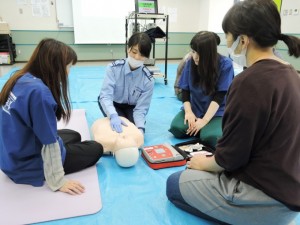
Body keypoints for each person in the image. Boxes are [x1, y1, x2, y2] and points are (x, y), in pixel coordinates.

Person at [166, 0, 300, 224]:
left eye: (228, 36)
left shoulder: (248, 81)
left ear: (244, 40)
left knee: (174, 183)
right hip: (290, 193)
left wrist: (203, 163)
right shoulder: (292, 75)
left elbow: (229, 158)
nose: (228, 43)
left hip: (262, 198)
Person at [0, 38, 103, 195]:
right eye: (68, 66)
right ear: (55, 67)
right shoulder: (39, 94)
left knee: (74, 135)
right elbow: (50, 143)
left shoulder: (20, 77)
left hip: (11, 156)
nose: (68, 72)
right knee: (96, 148)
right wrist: (58, 181)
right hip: (27, 164)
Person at [169, 31, 234, 148]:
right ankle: (201, 129)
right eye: (193, 52)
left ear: (210, 53)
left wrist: (204, 121)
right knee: (177, 129)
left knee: (211, 138)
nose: (195, 57)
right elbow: (185, 90)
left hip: (216, 112)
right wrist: (188, 112)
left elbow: (219, 96)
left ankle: (206, 128)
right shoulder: (190, 62)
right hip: (195, 108)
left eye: (200, 53)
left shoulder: (225, 64)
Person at [98, 32, 154, 135]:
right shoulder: (113, 68)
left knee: (132, 129)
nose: (137, 57)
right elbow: (105, 96)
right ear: (128, 49)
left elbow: (141, 108)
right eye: (134, 51)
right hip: (114, 103)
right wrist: (113, 115)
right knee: (119, 130)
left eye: (142, 54)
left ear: (147, 56)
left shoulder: (148, 80)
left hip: (132, 107)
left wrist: (140, 128)